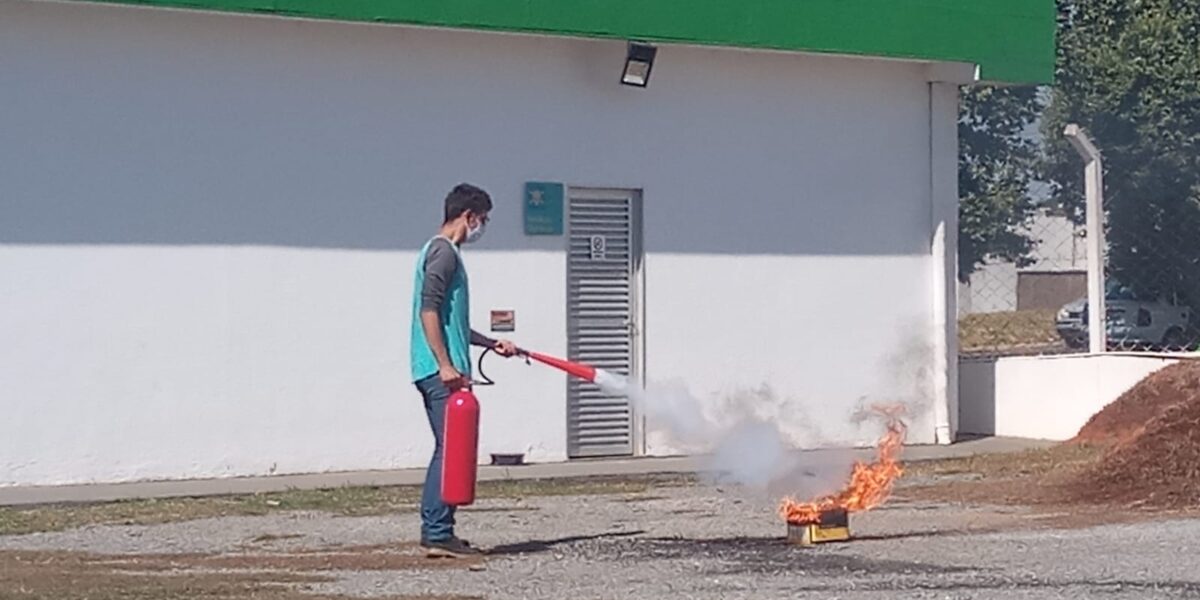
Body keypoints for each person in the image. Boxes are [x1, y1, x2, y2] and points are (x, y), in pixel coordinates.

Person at [410, 183, 517, 558]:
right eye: (482, 220)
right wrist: (444, 365)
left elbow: (453, 323)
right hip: (441, 372)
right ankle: (437, 532)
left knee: (448, 448)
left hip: (444, 368)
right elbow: (429, 310)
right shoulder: (444, 253)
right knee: (450, 449)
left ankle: (440, 530)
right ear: (468, 216)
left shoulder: (441, 252)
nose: (482, 227)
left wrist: (492, 344)